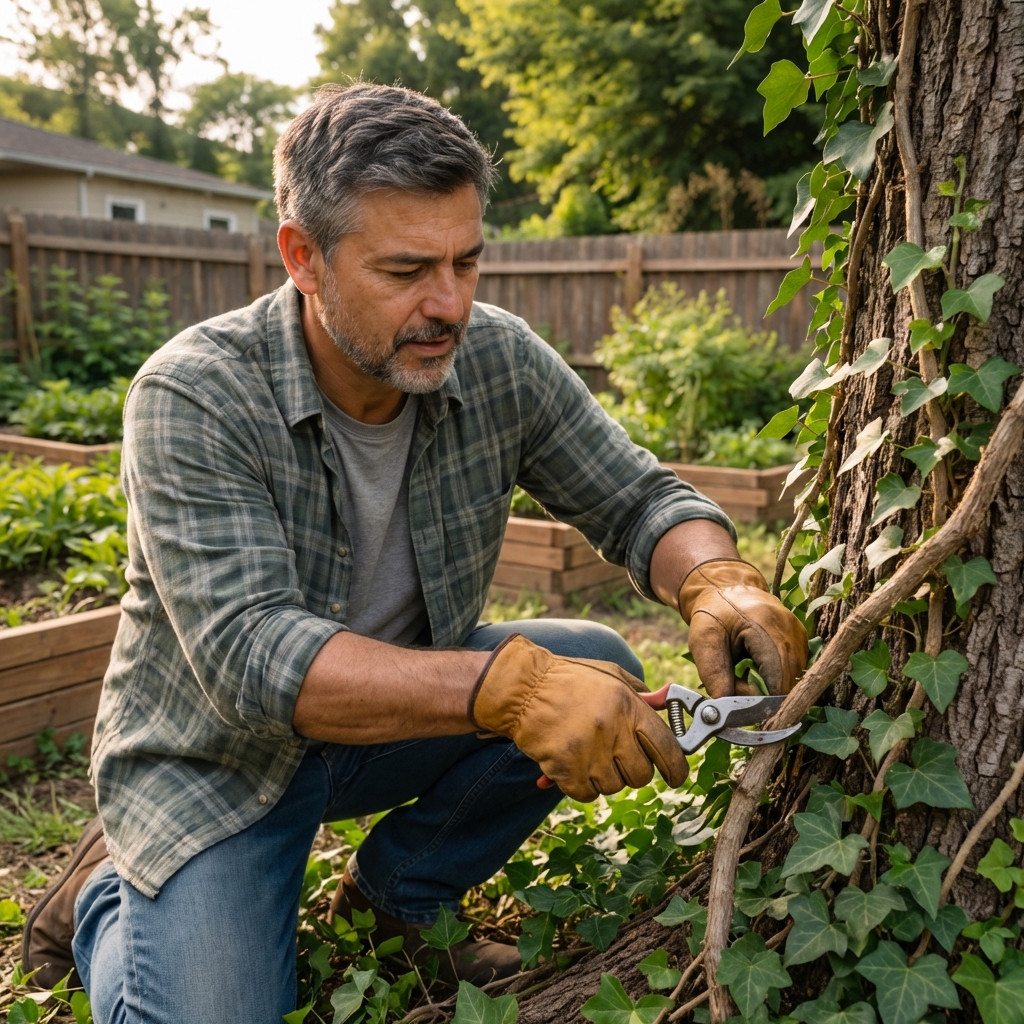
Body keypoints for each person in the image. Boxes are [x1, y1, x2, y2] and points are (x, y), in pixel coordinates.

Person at [21, 83, 808, 1023]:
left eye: (466, 261)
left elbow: (639, 497)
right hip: (214, 765)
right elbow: (252, 654)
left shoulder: (497, 358)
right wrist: (509, 690)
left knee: (598, 663)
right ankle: (110, 895)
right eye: (404, 271)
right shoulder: (195, 394)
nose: (449, 304)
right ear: (302, 257)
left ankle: (400, 902)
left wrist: (716, 578)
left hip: (385, 730)